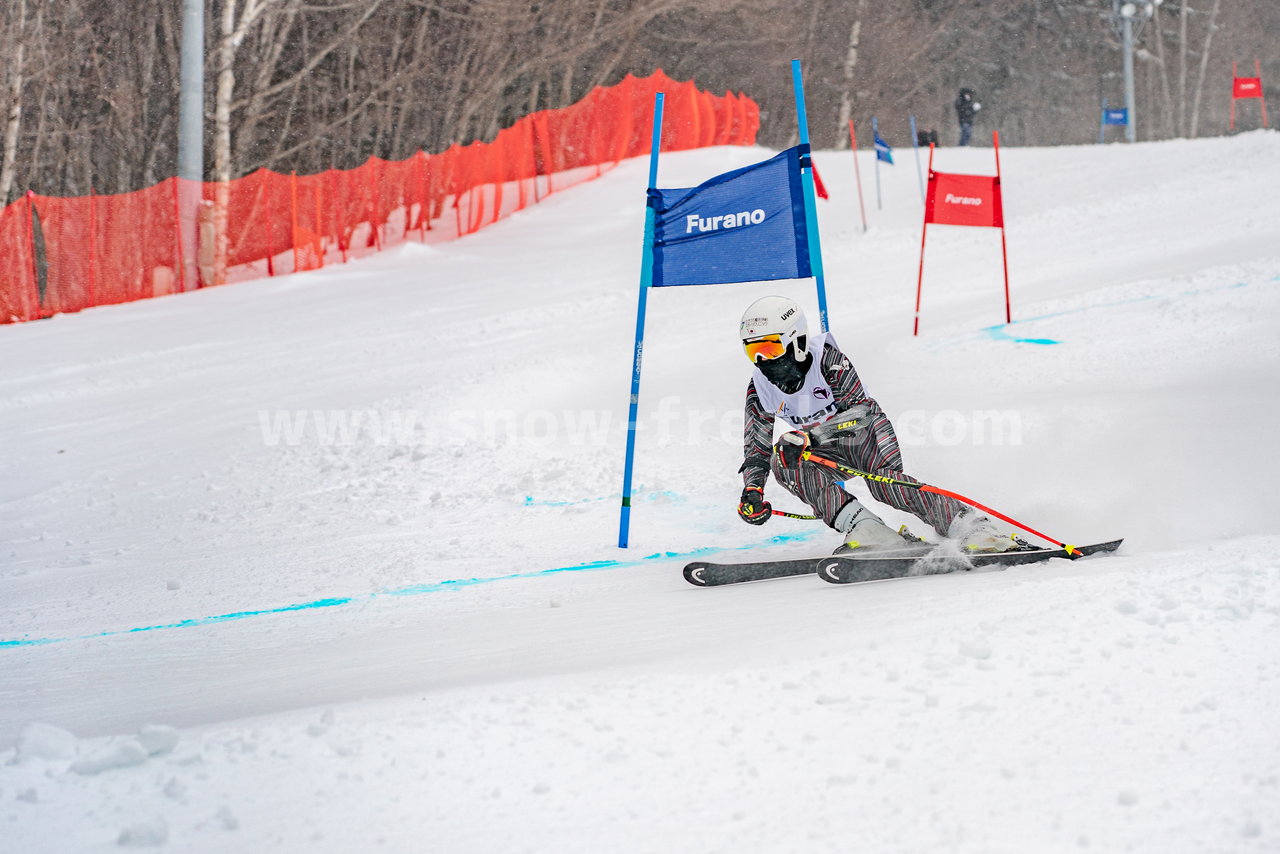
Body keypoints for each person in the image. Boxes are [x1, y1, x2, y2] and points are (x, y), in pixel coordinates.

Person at [735, 295, 1013, 554]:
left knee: (885, 485)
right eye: (753, 351)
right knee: (782, 461)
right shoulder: (760, 388)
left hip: (865, 436)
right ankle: (866, 528)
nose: (762, 360)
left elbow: (861, 412)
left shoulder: (828, 361)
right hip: (823, 448)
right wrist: (753, 491)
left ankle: (972, 527)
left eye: (770, 348)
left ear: (796, 340)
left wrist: (812, 437)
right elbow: (756, 449)